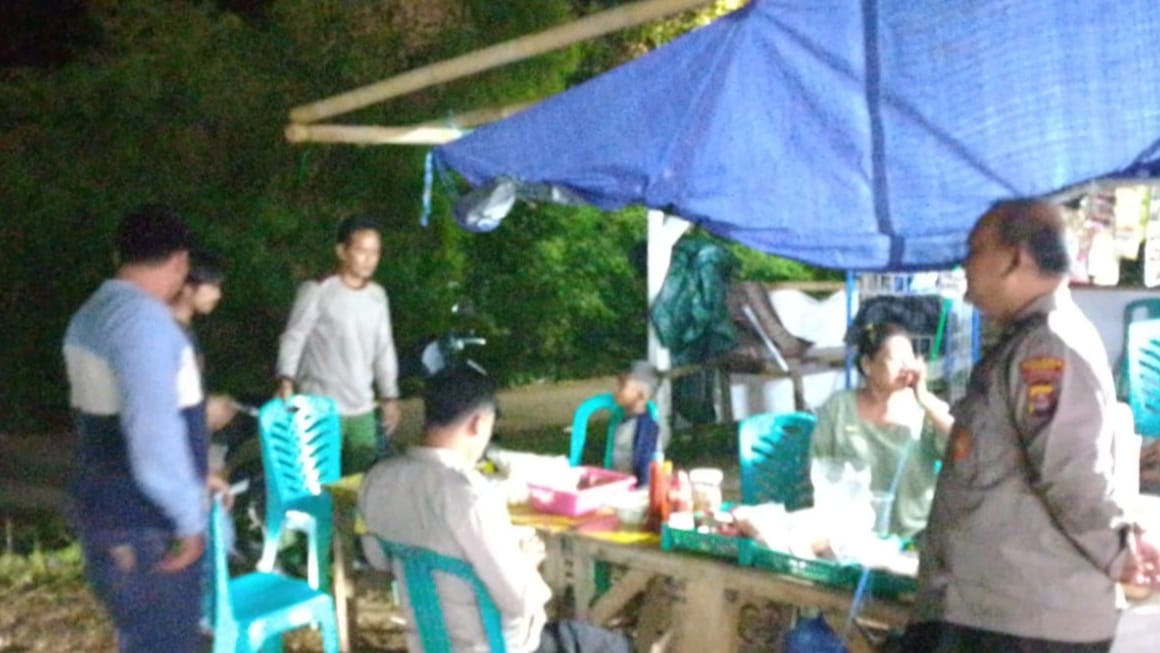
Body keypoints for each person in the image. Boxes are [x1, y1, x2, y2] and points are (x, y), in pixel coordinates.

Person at [902, 199, 1160, 653]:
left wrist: (1120, 553)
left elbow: (1071, 472)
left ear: (1014, 259)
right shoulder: (1031, 339)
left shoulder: (1049, 346)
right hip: (1000, 613)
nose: (965, 265)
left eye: (975, 250)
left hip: (1020, 624)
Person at [359, 367, 634, 653]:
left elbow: (379, 559)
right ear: (478, 423)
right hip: (497, 645)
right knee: (614, 645)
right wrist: (525, 560)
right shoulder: (469, 495)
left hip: (426, 644)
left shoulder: (377, 480)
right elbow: (521, 600)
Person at [62, 204, 208, 653]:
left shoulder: (93, 314)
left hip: (108, 517)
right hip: (147, 529)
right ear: (180, 261)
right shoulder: (143, 323)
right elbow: (152, 437)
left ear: (118, 255)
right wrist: (189, 518)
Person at [276, 214, 401, 473]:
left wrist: (389, 396)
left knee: (360, 484)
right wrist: (285, 380)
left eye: (375, 252)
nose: (369, 259)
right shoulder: (317, 290)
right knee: (320, 482)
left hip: (362, 408)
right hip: (320, 405)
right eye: (362, 251)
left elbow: (384, 349)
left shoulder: (377, 296)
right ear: (342, 251)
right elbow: (294, 337)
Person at [810, 321, 953, 537]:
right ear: (867, 365)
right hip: (852, 534)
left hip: (916, 534)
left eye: (909, 359)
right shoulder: (838, 408)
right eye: (896, 360)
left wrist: (925, 399)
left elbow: (962, 449)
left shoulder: (925, 408)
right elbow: (820, 469)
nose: (906, 367)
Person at [171, 247, 236, 436]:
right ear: (187, 287)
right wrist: (204, 411)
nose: (218, 295)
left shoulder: (185, 331)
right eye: (212, 286)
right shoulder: (167, 334)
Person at [609, 360, 661, 486]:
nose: (615, 390)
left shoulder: (645, 426)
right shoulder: (625, 420)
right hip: (619, 483)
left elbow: (644, 464)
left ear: (641, 395)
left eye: (622, 385)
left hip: (634, 488)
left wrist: (641, 491)